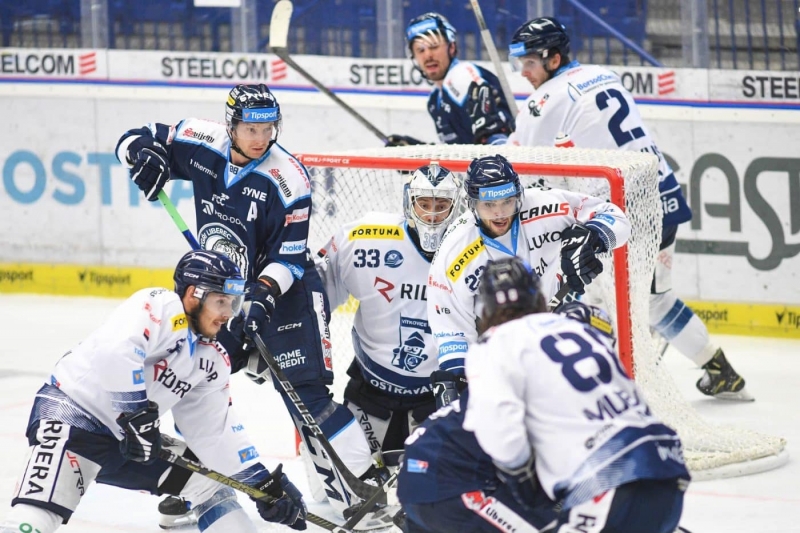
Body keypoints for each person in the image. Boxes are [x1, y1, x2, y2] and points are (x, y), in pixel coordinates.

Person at [115, 84, 375, 521]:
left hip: (285, 293)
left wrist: (261, 299)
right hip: (222, 290)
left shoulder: (288, 178)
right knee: (189, 383)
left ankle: (363, 490)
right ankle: (196, 487)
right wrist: (141, 154)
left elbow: (288, 261)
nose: (260, 138)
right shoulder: (201, 140)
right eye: (251, 128)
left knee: (306, 394)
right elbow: (134, 137)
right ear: (231, 124)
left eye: (268, 128)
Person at [506, 17, 751, 401]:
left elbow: (522, 162)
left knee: (596, 299)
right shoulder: (602, 74)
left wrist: (512, 133)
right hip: (665, 198)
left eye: (529, 63)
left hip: (627, 215)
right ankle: (721, 372)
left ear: (552, 59)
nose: (523, 71)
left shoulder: (543, 101)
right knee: (655, 300)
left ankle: (610, 392)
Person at [0, 250, 308, 533]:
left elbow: (213, 432)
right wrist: (134, 414)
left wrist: (262, 483)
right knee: (37, 515)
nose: (228, 313)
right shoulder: (160, 305)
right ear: (192, 295)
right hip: (73, 421)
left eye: (233, 303)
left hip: (133, 444)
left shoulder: (211, 358)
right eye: (221, 302)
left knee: (211, 484)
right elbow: (116, 352)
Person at [464, 257, 691, 533]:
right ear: (539, 298)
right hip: (665, 464)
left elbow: (501, 428)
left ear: (484, 309)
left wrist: (522, 481)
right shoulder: (580, 329)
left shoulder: (493, 344)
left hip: (607, 482)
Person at [427, 153, 631, 375]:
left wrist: (594, 238)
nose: (500, 212)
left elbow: (615, 216)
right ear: (472, 204)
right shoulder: (453, 250)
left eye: (508, 201)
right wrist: (462, 379)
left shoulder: (547, 205)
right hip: (497, 355)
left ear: (518, 195)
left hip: (552, 327)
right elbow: (451, 332)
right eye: (489, 204)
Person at [315, 162, 465, 456]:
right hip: (370, 392)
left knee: (433, 495)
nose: (432, 214)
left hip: (436, 399)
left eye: (441, 204)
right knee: (336, 496)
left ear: (456, 206)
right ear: (409, 203)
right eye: (424, 203)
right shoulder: (365, 238)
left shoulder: (471, 248)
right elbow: (316, 295)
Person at [386, 12, 515, 147]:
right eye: (420, 50)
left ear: (451, 47)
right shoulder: (434, 100)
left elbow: (502, 144)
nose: (428, 55)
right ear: (414, 56)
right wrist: (416, 154)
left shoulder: (462, 76)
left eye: (434, 47)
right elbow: (459, 153)